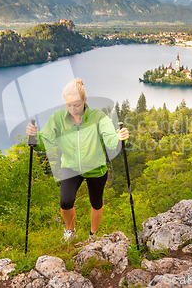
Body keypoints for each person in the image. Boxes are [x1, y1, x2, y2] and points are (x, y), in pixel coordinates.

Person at [26, 78, 129, 241]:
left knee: (96, 203)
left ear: (84, 100)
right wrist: (34, 137)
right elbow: (44, 141)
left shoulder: (98, 117)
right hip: (71, 166)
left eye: (76, 105)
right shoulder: (58, 119)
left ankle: (93, 235)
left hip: (96, 168)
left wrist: (119, 137)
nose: (72, 109)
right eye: (68, 105)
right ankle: (70, 232)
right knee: (65, 202)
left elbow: (110, 140)